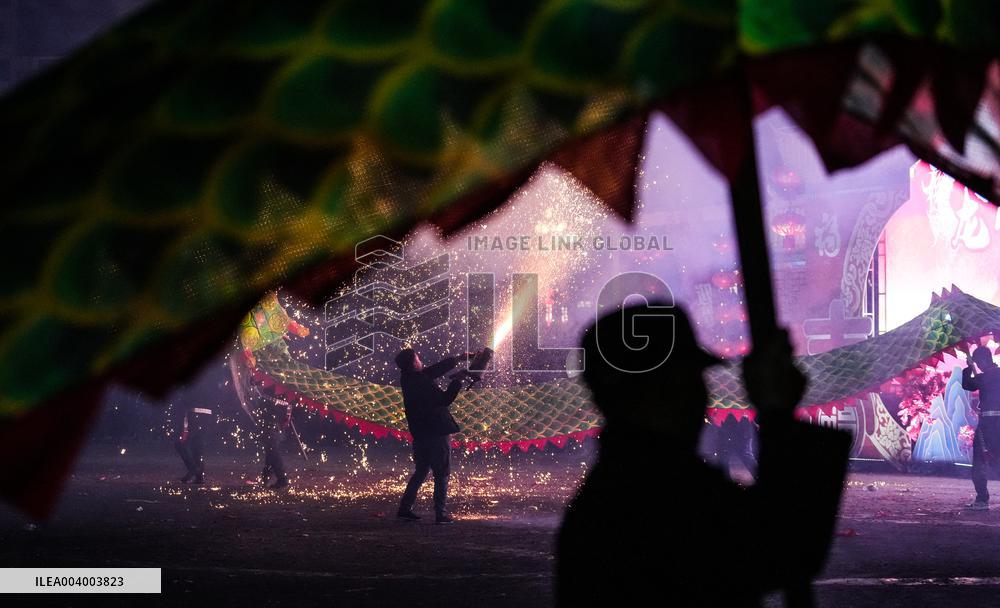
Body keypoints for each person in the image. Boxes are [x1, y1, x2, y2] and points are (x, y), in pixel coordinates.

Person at [556, 303, 850, 607]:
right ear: (664, 388)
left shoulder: (620, 488)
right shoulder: (657, 496)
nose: (701, 397)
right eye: (690, 378)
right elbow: (783, 548)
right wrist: (777, 413)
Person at [396, 348, 473, 524]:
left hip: (421, 434)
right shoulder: (421, 382)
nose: (420, 360)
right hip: (436, 432)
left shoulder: (408, 378)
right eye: (418, 358)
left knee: (421, 470)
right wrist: (458, 381)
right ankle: (440, 514)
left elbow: (432, 371)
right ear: (414, 363)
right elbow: (445, 399)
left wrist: (458, 358)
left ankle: (404, 508)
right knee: (442, 472)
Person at [962, 346, 1000, 510]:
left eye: (978, 362)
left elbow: (968, 385)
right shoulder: (991, 376)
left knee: (979, 462)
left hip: (988, 425)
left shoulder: (985, 377)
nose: (978, 364)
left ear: (983, 360)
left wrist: (969, 367)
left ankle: (982, 500)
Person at [254, 387, 292, 490]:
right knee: (270, 449)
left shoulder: (273, 384)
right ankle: (265, 478)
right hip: (274, 418)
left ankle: (282, 480)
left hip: (272, 419)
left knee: (272, 450)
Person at [174, 403, 214, 485]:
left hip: (195, 414)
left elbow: (185, 403)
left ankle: (194, 470)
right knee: (197, 446)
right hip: (207, 415)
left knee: (182, 445)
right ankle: (199, 476)